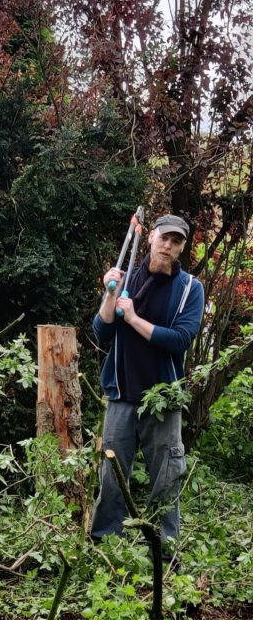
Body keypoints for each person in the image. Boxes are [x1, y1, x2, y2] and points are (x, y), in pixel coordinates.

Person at [90, 213, 205, 549]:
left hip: (163, 400)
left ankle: (163, 549)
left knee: (167, 478)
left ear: (181, 247)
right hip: (122, 394)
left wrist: (135, 318)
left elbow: (180, 339)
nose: (168, 245)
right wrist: (110, 296)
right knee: (112, 478)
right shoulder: (126, 279)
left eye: (176, 241)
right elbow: (102, 331)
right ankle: (106, 545)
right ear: (151, 237)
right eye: (164, 238)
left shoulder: (189, 290)